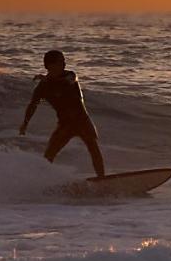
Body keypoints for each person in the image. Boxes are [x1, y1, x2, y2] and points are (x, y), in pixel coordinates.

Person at [19, 49, 106, 178]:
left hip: (83, 121)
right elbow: (33, 105)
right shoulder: (43, 87)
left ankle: (102, 179)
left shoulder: (70, 75)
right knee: (48, 155)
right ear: (50, 65)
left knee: (93, 148)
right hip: (65, 125)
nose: (64, 64)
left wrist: (46, 79)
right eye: (61, 62)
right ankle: (42, 181)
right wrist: (25, 124)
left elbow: (66, 83)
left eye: (64, 61)